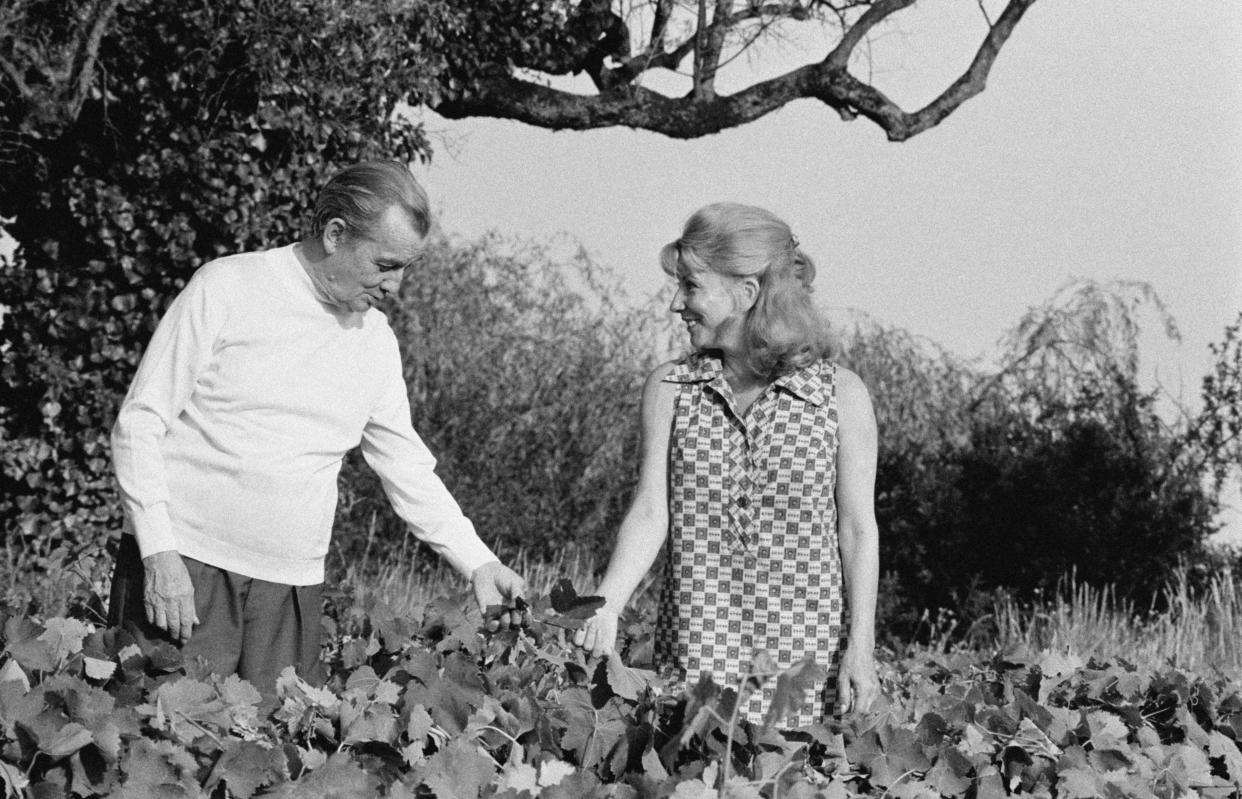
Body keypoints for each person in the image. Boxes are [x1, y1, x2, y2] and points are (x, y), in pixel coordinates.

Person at [109, 160, 525, 694]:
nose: (396, 286)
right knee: (162, 755)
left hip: (290, 591)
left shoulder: (375, 343)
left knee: (272, 762)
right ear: (335, 234)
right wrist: (159, 554)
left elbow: (408, 471)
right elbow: (139, 424)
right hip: (187, 575)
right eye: (386, 264)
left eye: (405, 269)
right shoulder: (227, 287)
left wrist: (478, 562)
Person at [574, 203, 880, 727]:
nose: (676, 303)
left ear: (747, 293)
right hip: (694, 655)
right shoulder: (670, 388)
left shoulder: (840, 395)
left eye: (691, 286)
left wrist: (862, 647)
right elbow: (650, 513)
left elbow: (857, 530)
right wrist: (606, 605)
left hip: (804, 667)